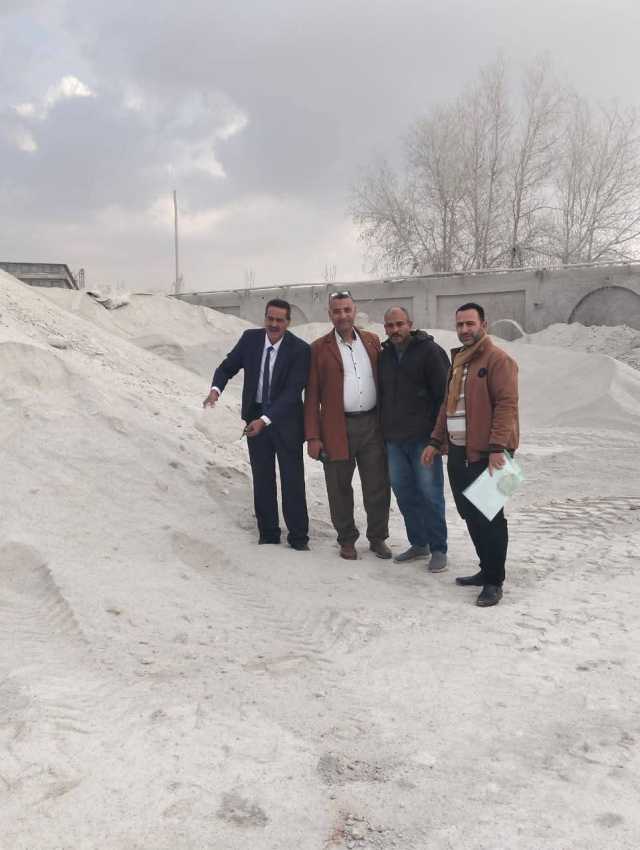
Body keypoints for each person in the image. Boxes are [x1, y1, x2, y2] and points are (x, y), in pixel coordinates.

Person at [422, 302, 519, 607]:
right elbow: (446, 406)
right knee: (471, 516)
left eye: (470, 324)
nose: (464, 329)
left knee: (491, 517)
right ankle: (485, 569)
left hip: (492, 454)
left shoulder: (499, 360)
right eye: (460, 324)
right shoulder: (459, 361)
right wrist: (435, 440)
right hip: (459, 452)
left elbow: (507, 405)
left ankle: (494, 581)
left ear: (483, 325)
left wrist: (497, 448)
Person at [203, 298, 311, 551]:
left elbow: (293, 392)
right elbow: (226, 367)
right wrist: (215, 390)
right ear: (265, 318)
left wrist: (265, 420)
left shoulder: (300, 349)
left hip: (286, 421)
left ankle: (298, 537)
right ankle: (269, 533)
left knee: (292, 479)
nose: (273, 324)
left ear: (288, 322)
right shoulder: (250, 340)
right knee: (262, 478)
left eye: (279, 320)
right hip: (254, 418)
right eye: (270, 318)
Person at [304, 290, 391, 560]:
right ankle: (346, 539)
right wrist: (313, 437)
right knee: (338, 486)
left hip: (372, 426)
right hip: (336, 427)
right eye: (337, 311)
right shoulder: (318, 349)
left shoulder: (372, 341)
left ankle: (377, 537)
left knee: (377, 485)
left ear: (355, 310)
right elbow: (311, 396)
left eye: (347, 310)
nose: (342, 315)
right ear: (330, 314)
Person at [379, 307, 450, 572]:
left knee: (430, 494)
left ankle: (439, 548)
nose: (395, 330)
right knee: (404, 493)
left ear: (410, 324)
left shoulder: (430, 352)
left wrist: (437, 438)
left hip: (423, 439)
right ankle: (419, 543)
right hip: (394, 440)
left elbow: (445, 396)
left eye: (399, 324)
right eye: (390, 325)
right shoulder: (385, 356)